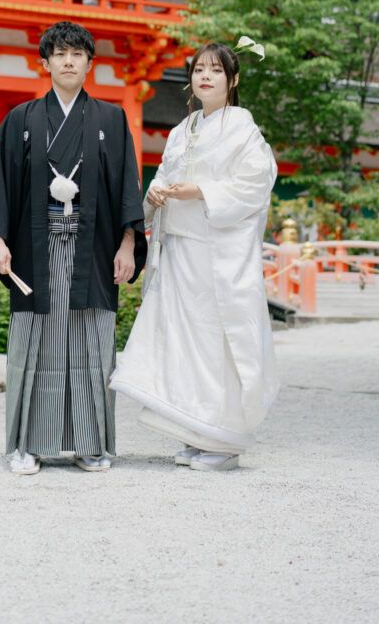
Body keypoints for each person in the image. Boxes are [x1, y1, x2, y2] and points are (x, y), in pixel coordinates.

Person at [0, 21, 147, 475]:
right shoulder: (21, 119)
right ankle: (27, 445)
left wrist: (127, 243)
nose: (68, 61)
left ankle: (90, 444)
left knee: (90, 342)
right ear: (44, 63)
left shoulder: (111, 119)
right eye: (60, 54)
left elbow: (127, 184)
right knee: (34, 342)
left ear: (89, 63)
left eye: (77, 54)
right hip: (34, 248)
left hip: (93, 250)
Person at [110, 40, 279, 471]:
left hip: (217, 255)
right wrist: (156, 193)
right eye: (199, 69)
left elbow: (256, 182)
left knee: (214, 342)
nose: (205, 76)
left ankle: (223, 440)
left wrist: (201, 190)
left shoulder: (242, 128)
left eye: (216, 70)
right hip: (180, 251)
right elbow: (165, 176)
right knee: (182, 342)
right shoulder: (180, 131)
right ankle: (195, 431)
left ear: (232, 80)